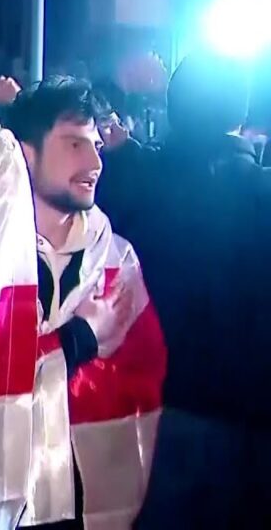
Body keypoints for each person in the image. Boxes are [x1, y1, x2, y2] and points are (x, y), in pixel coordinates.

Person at [96, 50, 271, 529]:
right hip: (249, 422)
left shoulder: (124, 183)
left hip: (146, 420)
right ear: (242, 111)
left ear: (172, 107)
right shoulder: (261, 195)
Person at [6, 76, 134, 529]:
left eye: (96, 144)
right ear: (26, 153)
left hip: (86, 502)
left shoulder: (116, 260)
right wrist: (78, 339)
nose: (95, 161)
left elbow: (140, 386)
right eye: (75, 144)